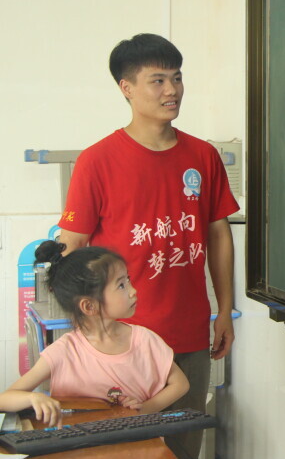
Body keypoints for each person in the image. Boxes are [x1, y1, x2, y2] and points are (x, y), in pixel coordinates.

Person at [56, 33, 239, 459]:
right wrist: (84, 330)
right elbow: (72, 247)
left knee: (180, 448)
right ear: (127, 88)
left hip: (188, 335)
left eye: (177, 78)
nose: (172, 90)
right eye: (158, 80)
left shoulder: (202, 156)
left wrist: (225, 309)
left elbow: (218, 235)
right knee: (120, 449)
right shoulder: (97, 161)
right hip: (120, 342)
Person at [0, 241, 189, 428]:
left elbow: (180, 384)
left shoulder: (145, 340)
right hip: (81, 445)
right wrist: (32, 398)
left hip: (138, 442)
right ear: (89, 306)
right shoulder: (64, 351)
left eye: (128, 280)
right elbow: (4, 399)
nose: (133, 290)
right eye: (121, 285)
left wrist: (144, 409)